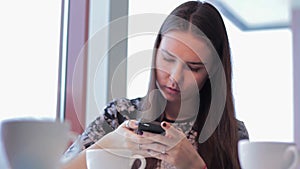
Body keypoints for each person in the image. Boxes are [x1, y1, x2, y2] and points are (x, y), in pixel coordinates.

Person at [62, 1, 249, 169]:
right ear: (156, 50)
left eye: (193, 68)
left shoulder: (232, 135)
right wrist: (110, 143)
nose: (175, 77)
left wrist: (194, 166)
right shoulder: (119, 115)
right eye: (167, 58)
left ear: (212, 72)